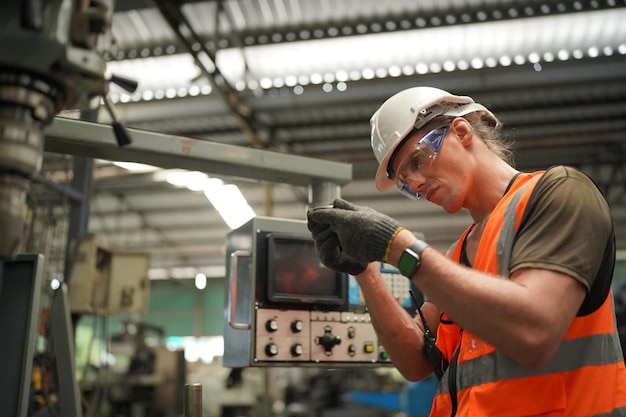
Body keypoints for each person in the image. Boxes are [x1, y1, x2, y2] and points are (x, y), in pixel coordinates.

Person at [307, 86, 626, 416]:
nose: (414, 183)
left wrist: (399, 247)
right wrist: (365, 269)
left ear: (460, 131)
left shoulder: (560, 193)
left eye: (417, 160)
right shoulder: (458, 255)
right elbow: (416, 362)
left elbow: (535, 332)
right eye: (404, 181)